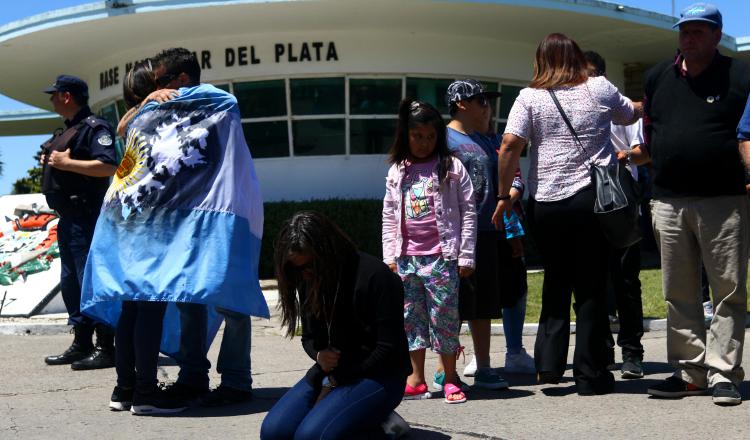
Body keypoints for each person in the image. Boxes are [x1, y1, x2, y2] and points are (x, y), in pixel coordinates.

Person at [80, 47, 268, 413]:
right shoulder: (152, 112)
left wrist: (167, 98)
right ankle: (192, 376)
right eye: (154, 85)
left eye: (163, 81)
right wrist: (148, 101)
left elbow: (226, 100)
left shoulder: (215, 102)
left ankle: (235, 381)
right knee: (185, 299)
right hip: (175, 225)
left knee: (229, 299)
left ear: (182, 80)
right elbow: (126, 129)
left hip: (216, 217)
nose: (158, 88)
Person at [492, 33, 641, 396]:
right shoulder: (600, 87)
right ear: (575, 57)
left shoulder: (529, 97)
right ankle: (590, 375)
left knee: (556, 279)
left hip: (546, 203)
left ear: (541, 60)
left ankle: (549, 366)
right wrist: (649, 104)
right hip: (593, 201)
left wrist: (502, 196)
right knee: (591, 286)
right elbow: (629, 112)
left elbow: (510, 145)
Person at [627, 3, 750, 406]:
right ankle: (689, 372)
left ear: (717, 35)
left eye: (699, 31)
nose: (689, 38)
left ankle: (723, 373)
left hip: (724, 201)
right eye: (685, 31)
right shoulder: (658, 76)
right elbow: (649, 135)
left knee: (728, 291)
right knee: (678, 292)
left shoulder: (741, 74)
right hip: (668, 200)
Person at [260, 211, 411, 439]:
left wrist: (339, 379)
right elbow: (309, 338)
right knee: (274, 433)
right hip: (332, 373)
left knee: (310, 436)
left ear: (326, 252)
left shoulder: (375, 276)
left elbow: (388, 348)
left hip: (380, 375)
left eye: (309, 265)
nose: (305, 273)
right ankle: (360, 420)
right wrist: (319, 356)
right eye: (296, 269)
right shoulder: (307, 279)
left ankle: (379, 425)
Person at [382, 99, 476, 404]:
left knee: (444, 319)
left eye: (430, 136)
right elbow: (389, 215)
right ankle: (416, 378)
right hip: (406, 260)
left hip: (442, 259)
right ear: (405, 135)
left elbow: (469, 212)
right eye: (417, 136)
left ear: (439, 137)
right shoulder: (398, 170)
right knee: (411, 320)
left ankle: (450, 378)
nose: (423, 143)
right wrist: (389, 257)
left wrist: (466, 255)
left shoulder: (451, 167)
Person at [40, 74, 118, 370]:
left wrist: (66, 163)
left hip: (87, 217)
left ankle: (106, 346)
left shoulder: (94, 128)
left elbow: (108, 165)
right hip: (69, 220)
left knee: (91, 281)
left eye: (54, 94)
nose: (51, 99)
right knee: (72, 283)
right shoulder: (70, 130)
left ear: (67, 96)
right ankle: (82, 342)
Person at [443, 79, 511, 390]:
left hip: (485, 230)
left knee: (483, 304)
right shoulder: (444, 138)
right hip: (454, 234)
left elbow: (504, 177)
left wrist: (509, 196)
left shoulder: (485, 139)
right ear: (461, 103)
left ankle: (484, 366)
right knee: (451, 305)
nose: (487, 106)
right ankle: (448, 368)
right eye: (481, 100)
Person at [584, 50, 646, 379]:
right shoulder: (572, 104)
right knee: (596, 278)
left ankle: (632, 351)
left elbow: (642, 152)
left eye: (591, 74)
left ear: (603, 75)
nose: (586, 81)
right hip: (587, 196)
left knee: (625, 278)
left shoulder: (619, 103)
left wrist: (620, 156)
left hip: (621, 196)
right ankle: (603, 350)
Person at [469, 101, 535, 375]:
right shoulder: (461, 143)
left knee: (515, 290)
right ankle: (478, 355)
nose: (486, 111)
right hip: (477, 231)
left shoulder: (501, 141)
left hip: (509, 228)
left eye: (488, 107)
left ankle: (515, 351)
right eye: (480, 106)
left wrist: (506, 201)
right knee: (479, 293)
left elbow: (518, 179)